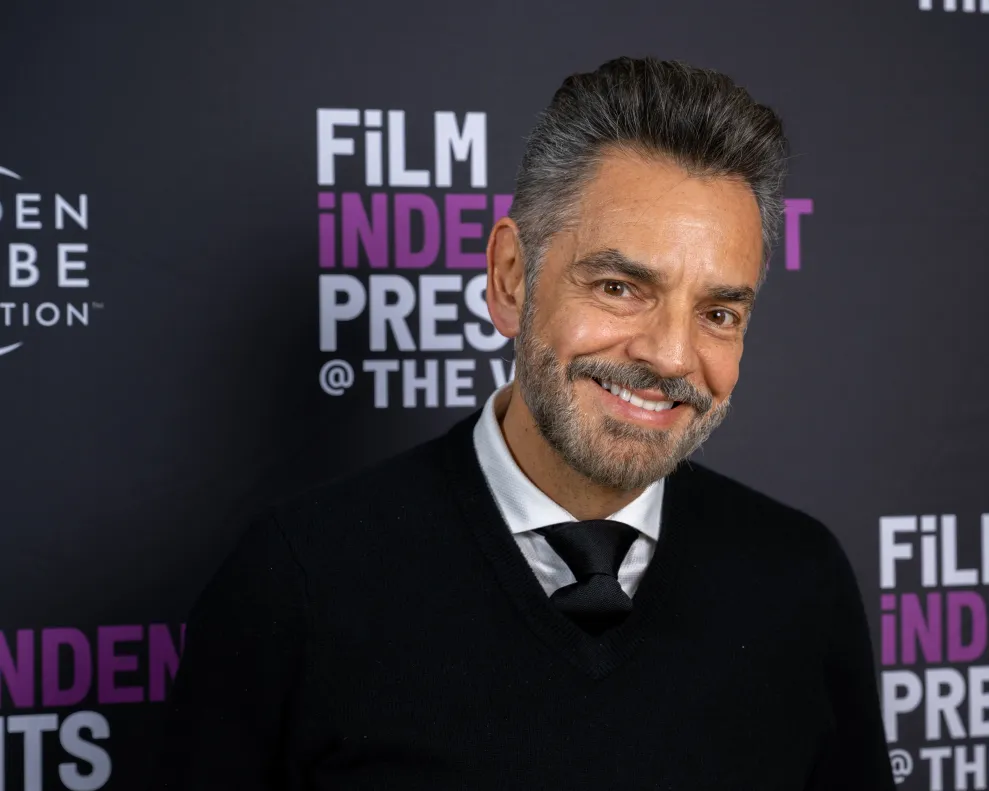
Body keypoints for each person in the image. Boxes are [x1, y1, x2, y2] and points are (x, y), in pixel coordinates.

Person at [153, 56, 896, 789]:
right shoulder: (298, 580)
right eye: (619, 287)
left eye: (719, 313)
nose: (672, 355)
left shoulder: (800, 581)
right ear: (511, 279)